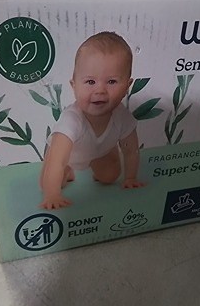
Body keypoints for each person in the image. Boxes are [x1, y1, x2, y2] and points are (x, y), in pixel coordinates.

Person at [40, 32, 144, 209]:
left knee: (110, 176)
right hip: (66, 156)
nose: (100, 90)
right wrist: (52, 195)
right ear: (74, 86)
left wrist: (130, 178)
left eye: (112, 82)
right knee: (48, 182)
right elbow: (57, 160)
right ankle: (68, 171)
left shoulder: (122, 117)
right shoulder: (71, 120)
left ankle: (103, 157)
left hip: (99, 152)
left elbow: (131, 151)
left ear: (127, 86)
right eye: (90, 82)